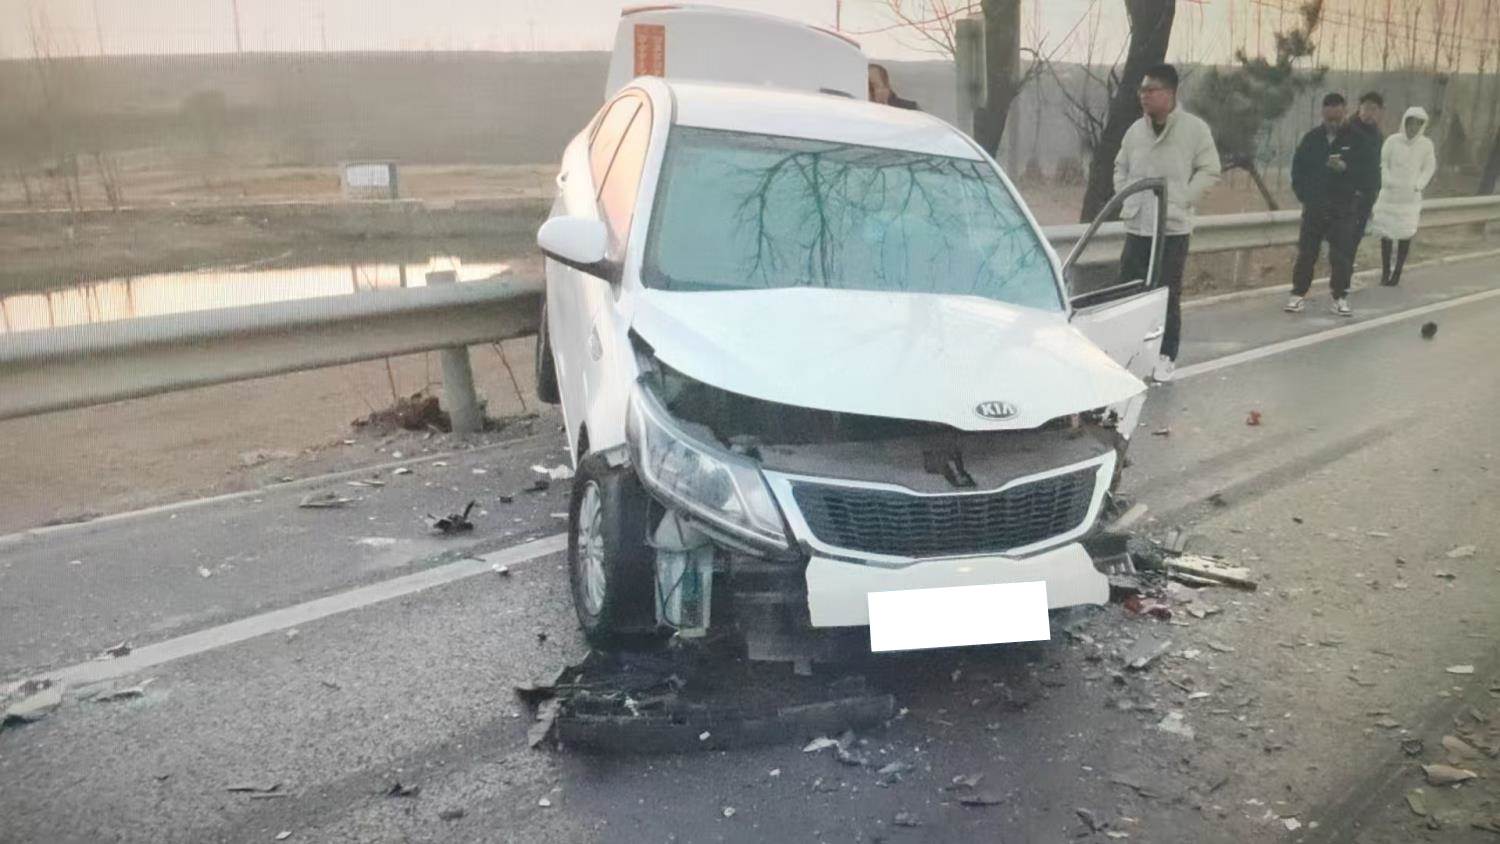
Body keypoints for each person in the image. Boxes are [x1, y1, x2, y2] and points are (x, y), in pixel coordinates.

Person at [1112, 63, 1221, 383]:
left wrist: (1183, 198)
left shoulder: (1194, 129)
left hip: (1172, 227)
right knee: (1129, 290)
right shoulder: (1135, 131)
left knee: (1166, 294)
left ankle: (1165, 355)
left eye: (1151, 90)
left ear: (1170, 93)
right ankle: (1131, 352)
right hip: (1138, 225)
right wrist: (1127, 196)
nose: (1144, 96)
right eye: (1141, 90)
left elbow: (1210, 170)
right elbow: (1120, 167)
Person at [1286, 93, 1378, 317]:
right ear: (1322, 114)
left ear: (1345, 112)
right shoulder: (1312, 139)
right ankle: (1297, 294)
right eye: (1329, 120)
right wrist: (1305, 196)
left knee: (1341, 255)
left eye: (1337, 119)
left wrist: (1346, 170)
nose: (1333, 124)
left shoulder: (1358, 140)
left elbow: (1370, 176)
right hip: (1315, 207)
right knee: (1307, 253)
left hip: (1343, 207)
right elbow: (1298, 171)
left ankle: (1340, 297)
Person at [1369, 106, 1437, 286]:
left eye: (1418, 124)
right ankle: (1385, 272)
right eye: (1411, 123)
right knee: (1386, 234)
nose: (1413, 127)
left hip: (1410, 198)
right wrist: (1387, 180)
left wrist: (1419, 185)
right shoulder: (1392, 141)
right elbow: (1383, 162)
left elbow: (1429, 167)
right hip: (1389, 196)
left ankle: (1397, 272)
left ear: (1422, 126)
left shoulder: (1426, 145)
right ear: (1405, 122)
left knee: (1405, 234)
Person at [1350, 91, 1385, 244]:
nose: (1369, 113)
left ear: (1379, 112)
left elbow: (1378, 164)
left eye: (1374, 109)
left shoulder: (1378, 135)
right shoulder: (1347, 130)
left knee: (1356, 237)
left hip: (1368, 195)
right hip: (1348, 195)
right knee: (1343, 238)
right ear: (1359, 108)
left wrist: (1377, 190)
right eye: (1366, 108)